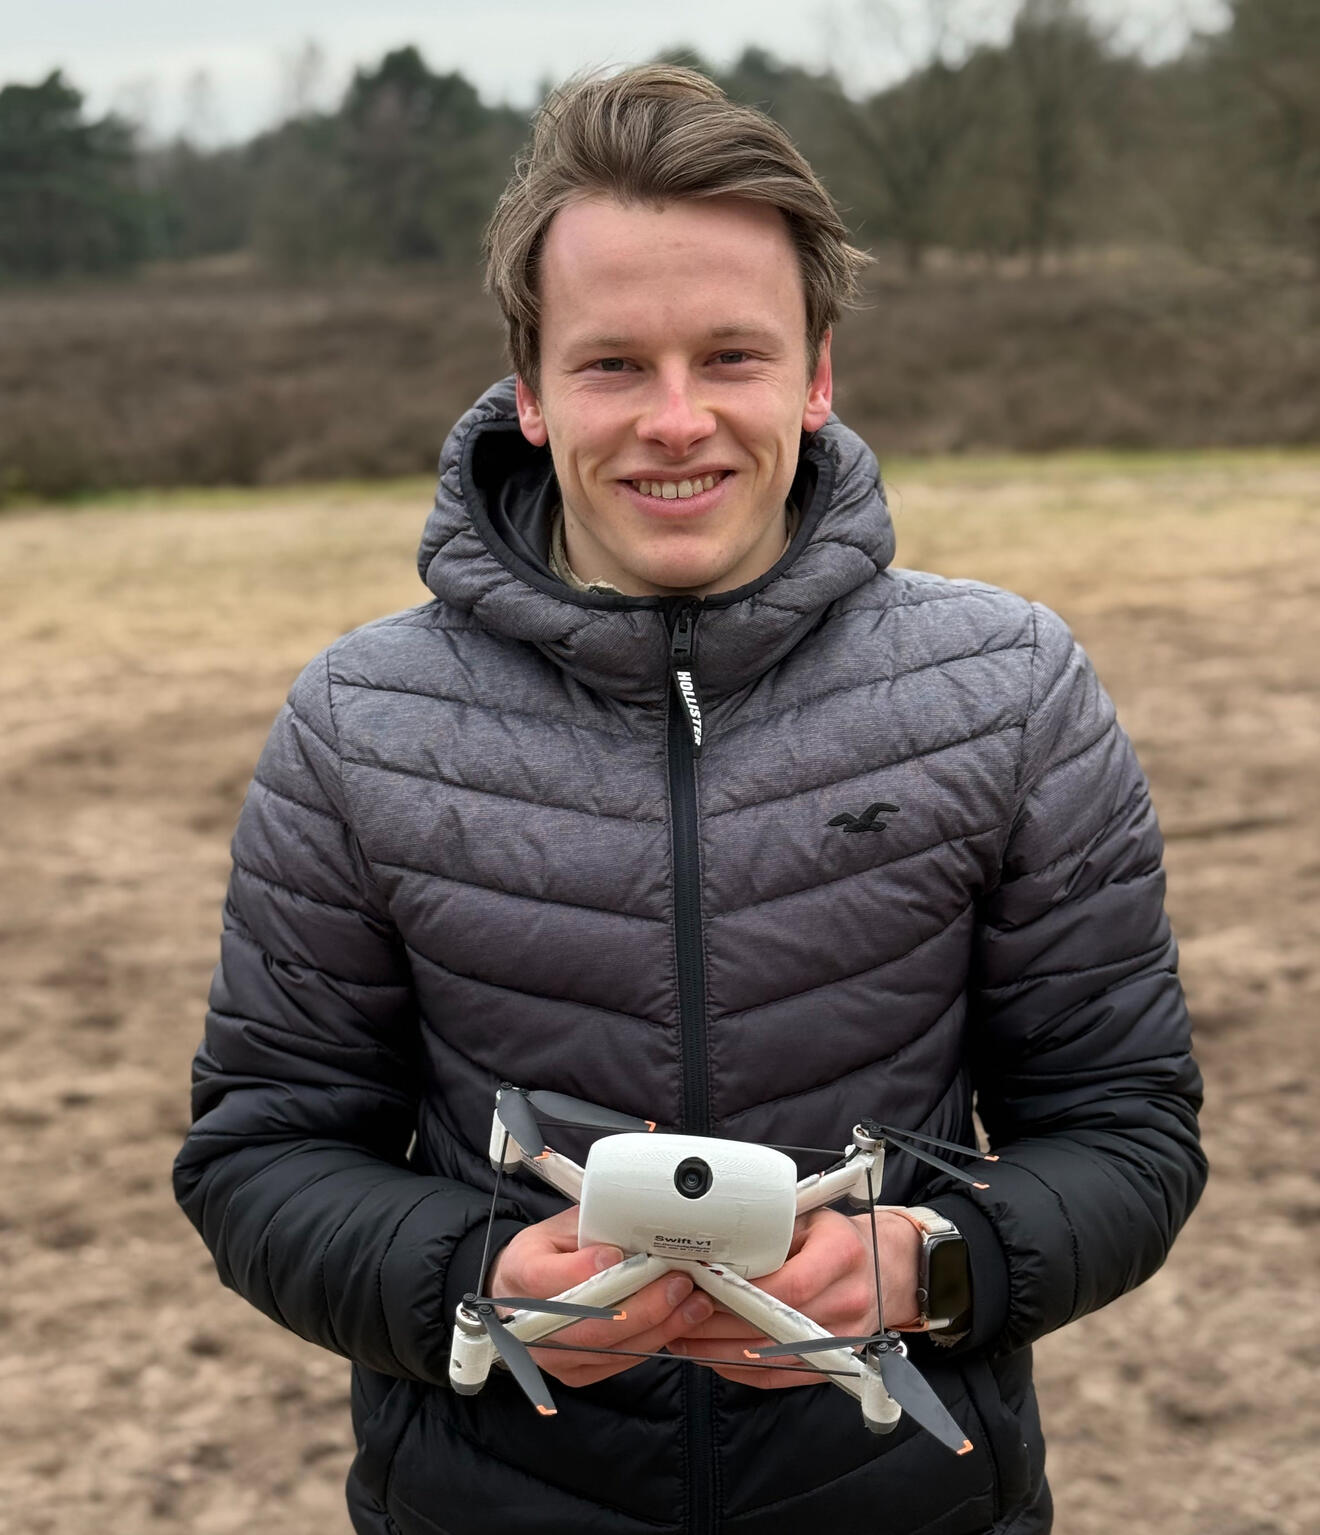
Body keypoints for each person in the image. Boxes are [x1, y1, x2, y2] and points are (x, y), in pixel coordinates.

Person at [174, 65, 1206, 1535]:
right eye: (613, 364)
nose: (677, 420)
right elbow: (261, 1155)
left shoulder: (1011, 688)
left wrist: (933, 1266)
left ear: (817, 373)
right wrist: (476, 1283)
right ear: (531, 391)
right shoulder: (359, 722)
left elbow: (1128, 1129)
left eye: (732, 355)